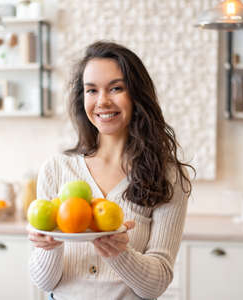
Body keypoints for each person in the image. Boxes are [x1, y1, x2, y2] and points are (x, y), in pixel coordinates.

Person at [27, 41, 194, 300]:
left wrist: (119, 253)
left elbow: (156, 284)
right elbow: (45, 281)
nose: (102, 101)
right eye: (92, 91)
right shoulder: (57, 170)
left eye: (116, 88)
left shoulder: (167, 176)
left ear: (136, 95)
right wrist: (50, 247)